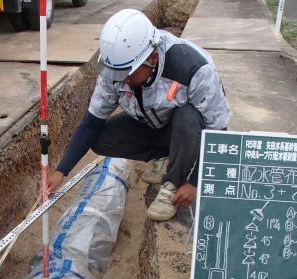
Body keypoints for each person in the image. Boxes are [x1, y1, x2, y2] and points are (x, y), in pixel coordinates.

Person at [47, 9, 232, 221]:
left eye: (128, 74)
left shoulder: (194, 68)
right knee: (101, 139)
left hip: (186, 130)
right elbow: (91, 124)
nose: (121, 80)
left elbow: (220, 134)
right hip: (152, 126)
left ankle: (172, 184)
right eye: (117, 74)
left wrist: (195, 183)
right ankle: (166, 157)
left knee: (188, 116)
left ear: (153, 58)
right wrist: (61, 171)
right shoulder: (116, 67)